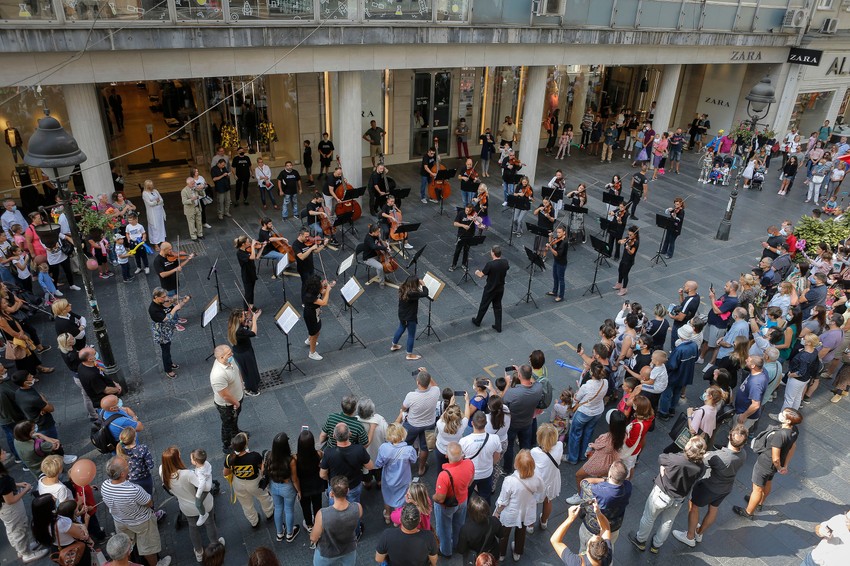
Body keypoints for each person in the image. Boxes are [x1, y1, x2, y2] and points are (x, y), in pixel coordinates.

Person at [628, 436, 707, 554]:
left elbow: (661, 457)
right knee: (668, 522)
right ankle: (656, 545)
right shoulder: (701, 466)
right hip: (679, 498)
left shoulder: (676, 459)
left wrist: (663, 469)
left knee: (649, 518)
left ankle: (641, 541)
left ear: (689, 447)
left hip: (661, 493)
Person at [672, 425, 748, 547]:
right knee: (713, 509)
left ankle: (690, 536)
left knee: (694, 506)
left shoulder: (718, 456)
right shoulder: (743, 454)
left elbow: (700, 459)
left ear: (729, 436)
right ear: (743, 444)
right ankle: (699, 532)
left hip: (709, 487)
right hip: (725, 488)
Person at [101, 456, 172, 566]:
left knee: (125, 547)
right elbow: (149, 503)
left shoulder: (104, 485)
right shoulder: (133, 489)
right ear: (123, 474)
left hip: (120, 521)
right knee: (148, 548)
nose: (128, 464)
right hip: (141, 522)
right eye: (126, 465)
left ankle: (127, 562)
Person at [733, 408, 802, 519]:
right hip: (776, 465)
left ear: (788, 421)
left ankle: (748, 512)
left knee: (757, 489)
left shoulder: (780, 435)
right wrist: (785, 465)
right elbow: (793, 447)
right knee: (768, 481)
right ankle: (760, 503)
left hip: (765, 464)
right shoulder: (794, 430)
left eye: (783, 415)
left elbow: (775, 458)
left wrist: (779, 467)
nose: (780, 415)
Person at [159, 446, 223, 561]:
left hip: (186, 506)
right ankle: (215, 544)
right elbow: (205, 487)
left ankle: (199, 552)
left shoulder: (162, 471)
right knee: (210, 522)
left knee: (192, 527)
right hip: (203, 504)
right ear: (176, 459)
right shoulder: (187, 474)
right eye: (179, 455)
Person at [320, 423, 374, 539]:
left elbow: (322, 474)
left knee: (333, 509)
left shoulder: (329, 452)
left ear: (334, 436)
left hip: (335, 486)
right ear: (350, 434)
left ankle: (335, 533)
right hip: (354, 485)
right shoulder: (359, 449)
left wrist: (329, 480)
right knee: (354, 510)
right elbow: (370, 466)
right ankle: (356, 533)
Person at [494, 449, 544, 562]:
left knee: (504, 533)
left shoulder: (509, 481)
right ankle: (517, 552)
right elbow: (541, 489)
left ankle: (501, 554)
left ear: (517, 464)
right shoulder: (537, 476)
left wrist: (497, 511)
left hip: (511, 512)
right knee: (521, 532)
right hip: (526, 510)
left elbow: (503, 500)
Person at [0, 450, 47, 563]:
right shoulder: (2, 480)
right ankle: (26, 553)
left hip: (4, 510)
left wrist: (17, 484)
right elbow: (10, 500)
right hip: (11, 509)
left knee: (12, 529)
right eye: (1, 451)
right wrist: (25, 490)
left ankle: (20, 549)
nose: (5, 452)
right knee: (19, 530)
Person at [223, 432, 273, 527]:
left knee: (246, 505)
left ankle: (254, 521)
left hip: (238, 484)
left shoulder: (229, 458)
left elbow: (225, 473)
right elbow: (262, 471)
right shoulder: (254, 456)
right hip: (254, 483)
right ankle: (269, 513)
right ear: (245, 444)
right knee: (264, 497)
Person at [398, 368, 441, 477]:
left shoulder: (411, 396)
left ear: (418, 382)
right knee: (425, 447)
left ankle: (403, 466)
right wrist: (428, 375)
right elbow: (435, 385)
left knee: (404, 444)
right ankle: (421, 468)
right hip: (430, 424)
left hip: (412, 425)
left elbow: (403, 408)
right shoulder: (435, 391)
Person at [310, 475, 361, 564]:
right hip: (349, 549)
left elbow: (313, 537)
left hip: (327, 552)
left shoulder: (322, 514)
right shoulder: (358, 508)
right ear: (348, 491)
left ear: (331, 493)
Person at [566, 361, 608, 465]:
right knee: (588, 432)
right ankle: (583, 454)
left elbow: (576, 398)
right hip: (598, 411)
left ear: (592, 373)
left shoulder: (587, 386)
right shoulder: (605, 382)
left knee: (575, 433)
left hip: (584, 412)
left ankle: (572, 458)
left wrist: (573, 402)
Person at [374, 423, 417, 524]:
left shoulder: (384, 448)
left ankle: (388, 515)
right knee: (401, 498)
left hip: (388, 478)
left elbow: (378, 463)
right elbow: (414, 460)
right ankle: (397, 519)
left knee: (387, 496)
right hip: (403, 478)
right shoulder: (409, 450)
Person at [550, 500, 613, 566]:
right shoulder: (606, 558)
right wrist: (598, 513)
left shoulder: (575, 562)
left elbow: (554, 540)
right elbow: (606, 529)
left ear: (588, 549)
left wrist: (570, 518)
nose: (595, 535)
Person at [264, 432, 301, 542]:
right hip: (287, 487)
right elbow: (294, 479)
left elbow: (264, 471)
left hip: (274, 486)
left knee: (278, 508)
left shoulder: (268, 455)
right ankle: (290, 533)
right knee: (289, 509)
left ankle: (279, 533)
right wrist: (299, 491)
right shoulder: (291, 460)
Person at [459, 411, 502, 506]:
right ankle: (484, 513)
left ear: (472, 423)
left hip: (470, 475)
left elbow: (460, 460)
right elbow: (497, 457)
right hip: (487, 472)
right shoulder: (495, 438)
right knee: (485, 496)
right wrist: (490, 465)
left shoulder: (464, 441)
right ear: (486, 423)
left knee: (466, 495)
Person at [209, 344, 245, 453]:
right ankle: (226, 445)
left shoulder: (228, 361)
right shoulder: (218, 374)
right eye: (229, 354)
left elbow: (237, 371)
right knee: (227, 424)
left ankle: (236, 433)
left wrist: (242, 384)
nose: (232, 355)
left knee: (235, 419)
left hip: (237, 398)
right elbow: (225, 395)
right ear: (221, 357)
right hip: (227, 405)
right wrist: (236, 403)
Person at [149, 288, 189, 378]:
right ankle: (168, 370)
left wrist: (183, 302)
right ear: (156, 297)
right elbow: (166, 318)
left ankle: (170, 363)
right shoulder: (153, 309)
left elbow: (174, 307)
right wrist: (174, 309)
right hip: (161, 332)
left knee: (168, 347)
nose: (166, 298)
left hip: (167, 328)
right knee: (165, 351)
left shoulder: (162, 302)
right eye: (163, 297)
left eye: (166, 296)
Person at [530, 423, 563, 531]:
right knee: (548, 501)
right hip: (552, 480)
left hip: (538, 482)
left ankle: (530, 526)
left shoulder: (534, 452)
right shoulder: (559, 446)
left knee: (532, 503)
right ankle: (544, 522)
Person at [472, 246, 509, 332]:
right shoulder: (505, 262)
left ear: (493, 253)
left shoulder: (490, 264)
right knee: (497, 306)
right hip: (500, 288)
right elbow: (506, 268)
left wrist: (477, 272)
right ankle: (498, 326)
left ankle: (478, 321)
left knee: (484, 305)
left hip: (490, 289)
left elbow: (481, 275)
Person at [391, 275, 429, 361]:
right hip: (410, 317)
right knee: (411, 335)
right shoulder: (413, 293)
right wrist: (423, 284)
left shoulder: (403, 287)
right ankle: (409, 354)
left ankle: (394, 345)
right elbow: (425, 293)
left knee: (401, 328)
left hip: (402, 314)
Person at [296, 428, 325, 538]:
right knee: (318, 504)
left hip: (303, 487)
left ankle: (309, 524)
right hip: (316, 485)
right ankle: (319, 522)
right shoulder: (318, 454)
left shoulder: (295, 458)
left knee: (305, 506)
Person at [227, 308, 261, 397]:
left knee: (251, 368)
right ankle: (250, 389)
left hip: (245, 349)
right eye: (243, 315)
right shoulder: (239, 330)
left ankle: (255, 382)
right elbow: (253, 333)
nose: (245, 315)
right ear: (238, 318)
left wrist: (249, 322)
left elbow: (247, 328)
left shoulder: (236, 325)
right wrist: (254, 319)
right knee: (248, 371)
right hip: (243, 353)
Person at [303, 275, 335, 361]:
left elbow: (322, 292)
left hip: (314, 312)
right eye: (320, 282)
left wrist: (328, 286)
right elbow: (324, 302)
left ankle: (309, 340)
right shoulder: (309, 296)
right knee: (315, 333)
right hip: (310, 315)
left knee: (314, 330)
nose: (322, 283)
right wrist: (328, 290)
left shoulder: (314, 289)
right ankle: (312, 353)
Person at [614, 225, 639, 296]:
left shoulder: (636, 242)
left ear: (635, 235)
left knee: (625, 274)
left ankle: (624, 289)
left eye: (631, 235)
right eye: (628, 234)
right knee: (620, 270)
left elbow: (632, 253)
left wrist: (628, 248)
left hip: (629, 261)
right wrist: (621, 241)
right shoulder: (628, 239)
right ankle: (619, 283)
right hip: (624, 258)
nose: (629, 236)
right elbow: (620, 241)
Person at [141, 180, 167, 247]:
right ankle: (156, 243)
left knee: (161, 226)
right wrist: (156, 201)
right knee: (154, 227)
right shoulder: (145, 193)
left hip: (159, 211)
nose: (152, 186)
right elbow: (150, 203)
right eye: (151, 185)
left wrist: (156, 202)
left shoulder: (155, 191)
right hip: (152, 213)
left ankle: (162, 240)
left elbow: (161, 199)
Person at [180, 176, 204, 241]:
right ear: (188, 184)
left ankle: (200, 234)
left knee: (199, 222)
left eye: (194, 183)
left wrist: (200, 189)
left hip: (197, 207)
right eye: (192, 183)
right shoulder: (184, 191)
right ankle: (194, 237)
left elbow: (202, 195)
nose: (194, 184)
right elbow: (184, 201)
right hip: (190, 210)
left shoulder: (195, 188)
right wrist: (191, 199)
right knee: (191, 224)